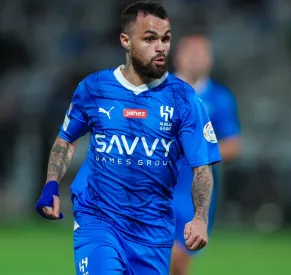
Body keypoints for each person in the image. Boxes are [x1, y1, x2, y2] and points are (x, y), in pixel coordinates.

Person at [35, 2, 221, 274]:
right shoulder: (94, 88)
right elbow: (66, 139)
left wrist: (200, 218)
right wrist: (51, 185)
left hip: (153, 233)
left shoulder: (185, 99)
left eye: (166, 38)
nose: (161, 47)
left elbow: (202, 168)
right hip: (98, 221)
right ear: (125, 40)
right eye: (149, 38)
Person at [170, 34, 241, 275]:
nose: (196, 59)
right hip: (157, 185)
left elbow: (233, 145)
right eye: (191, 53)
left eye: (202, 54)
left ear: (210, 61)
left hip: (195, 192)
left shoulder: (220, 99)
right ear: (178, 57)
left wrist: (198, 152)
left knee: (179, 263)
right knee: (159, 254)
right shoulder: (159, 92)